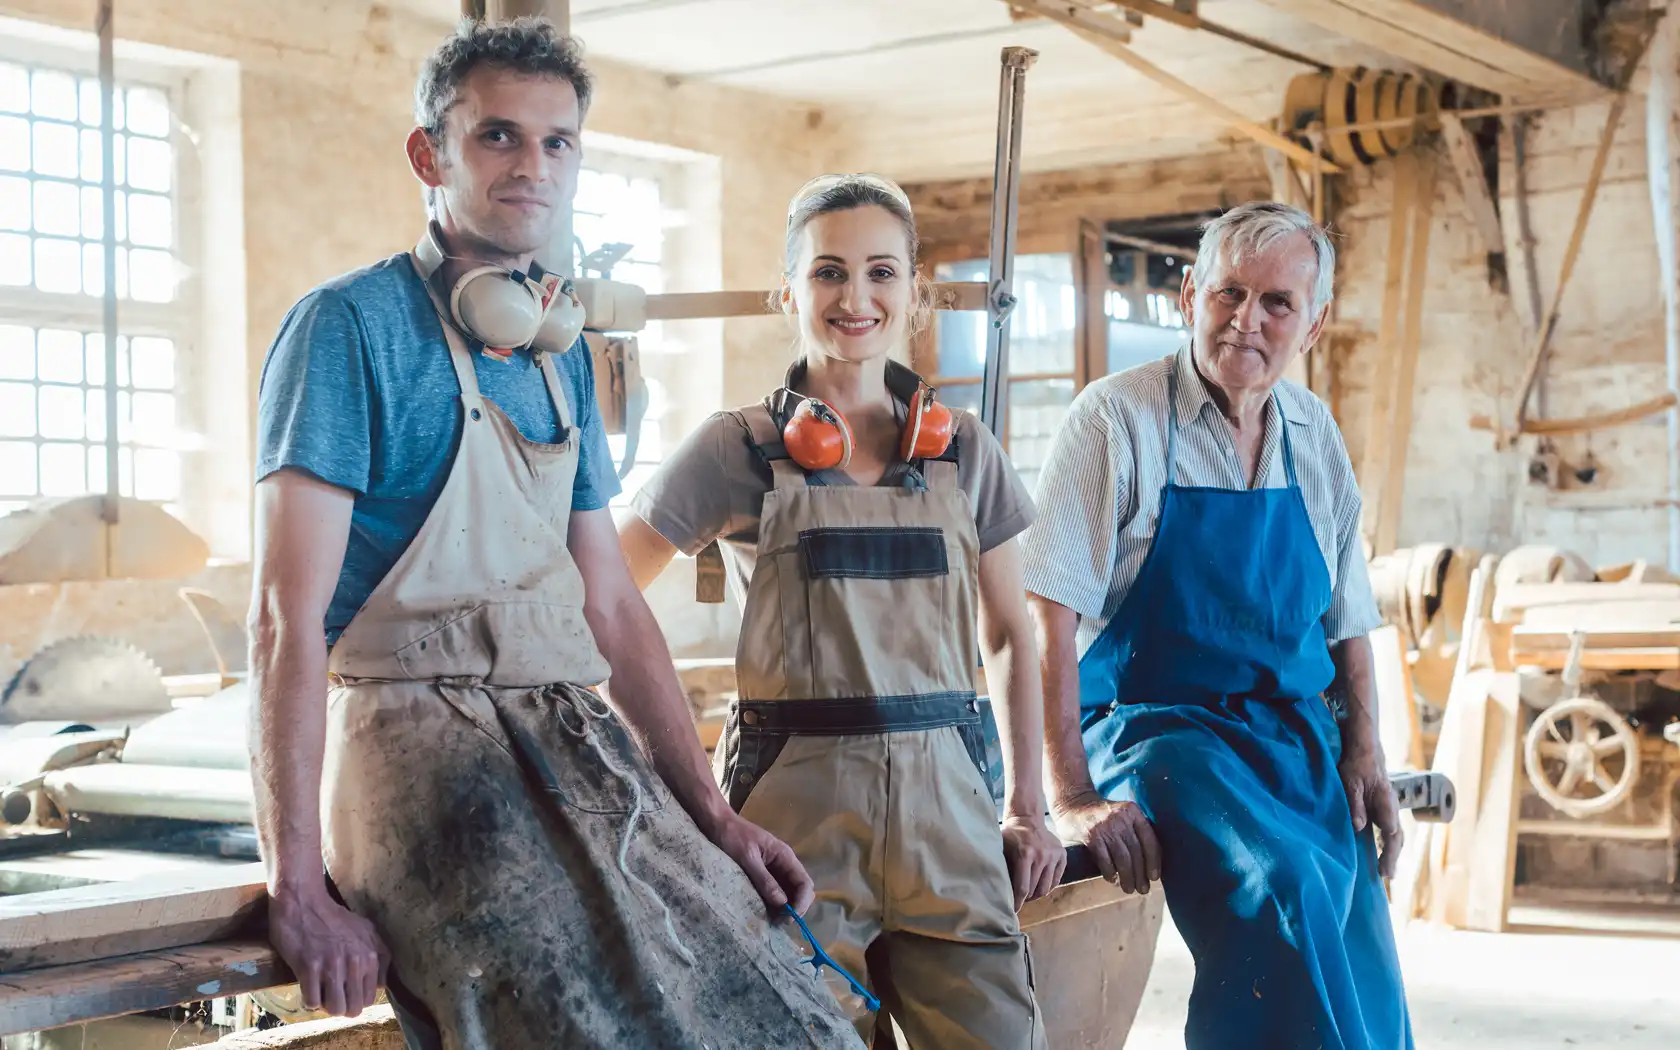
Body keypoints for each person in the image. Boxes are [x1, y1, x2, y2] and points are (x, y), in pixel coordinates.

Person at [247, 19, 865, 1050]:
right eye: (497, 137)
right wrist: (296, 886)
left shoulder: (556, 351)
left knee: (782, 1002)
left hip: (567, 733)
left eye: (557, 142)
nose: (532, 166)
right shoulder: (348, 329)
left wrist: (712, 815)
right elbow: (283, 621)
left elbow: (612, 605)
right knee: (589, 1024)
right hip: (421, 752)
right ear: (428, 154)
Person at [616, 174, 1064, 1049]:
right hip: (793, 834)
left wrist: (1028, 805)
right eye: (827, 273)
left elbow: (1010, 634)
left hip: (954, 831)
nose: (855, 298)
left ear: (915, 292)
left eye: (881, 273)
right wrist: (685, 791)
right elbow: (602, 593)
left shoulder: (966, 451)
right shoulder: (735, 448)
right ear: (787, 292)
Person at [1023, 201, 1412, 1050]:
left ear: (1314, 324)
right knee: (1278, 886)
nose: (1248, 320)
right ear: (1189, 294)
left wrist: (1368, 753)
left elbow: (1347, 618)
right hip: (1158, 730)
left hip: (1295, 736)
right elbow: (1045, 621)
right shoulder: (1113, 420)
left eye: (1278, 302)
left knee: (1358, 930)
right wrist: (1073, 797)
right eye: (1229, 293)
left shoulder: (1315, 435)